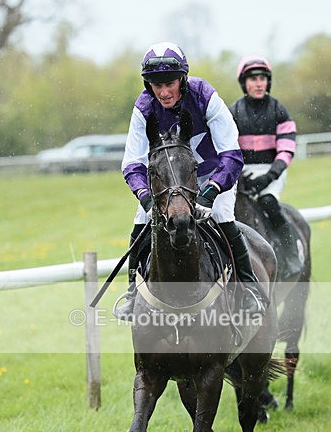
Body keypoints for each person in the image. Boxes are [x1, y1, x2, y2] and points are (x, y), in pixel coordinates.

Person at [116, 41, 265, 320]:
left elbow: (232, 154)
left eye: (169, 84)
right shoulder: (144, 106)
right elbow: (132, 162)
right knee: (141, 220)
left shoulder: (204, 95)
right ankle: (133, 293)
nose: (163, 92)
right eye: (156, 85)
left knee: (222, 215)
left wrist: (210, 192)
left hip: (212, 176)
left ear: (182, 80)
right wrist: (146, 197)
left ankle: (248, 289)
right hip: (166, 184)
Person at [230, 56, 302, 280]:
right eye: (253, 79)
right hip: (241, 174)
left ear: (268, 82)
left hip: (271, 171)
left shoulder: (279, 110)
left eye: (262, 78)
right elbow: (228, 147)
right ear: (244, 83)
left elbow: (287, 149)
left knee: (268, 202)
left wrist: (270, 175)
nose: (258, 83)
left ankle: (290, 256)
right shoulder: (234, 112)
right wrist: (239, 173)